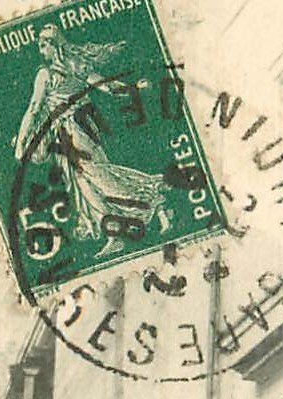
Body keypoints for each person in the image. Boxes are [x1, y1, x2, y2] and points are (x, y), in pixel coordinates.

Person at [12, 22, 169, 258]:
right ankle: (115, 233)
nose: (40, 50)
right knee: (85, 185)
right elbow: (108, 87)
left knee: (98, 177)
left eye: (43, 44)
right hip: (78, 129)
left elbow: (34, 108)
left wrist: (21, 142)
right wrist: (133, 88)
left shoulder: (45, 75)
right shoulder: (77, 67)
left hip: (73, 130)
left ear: (54, 45)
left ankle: (152, 198)